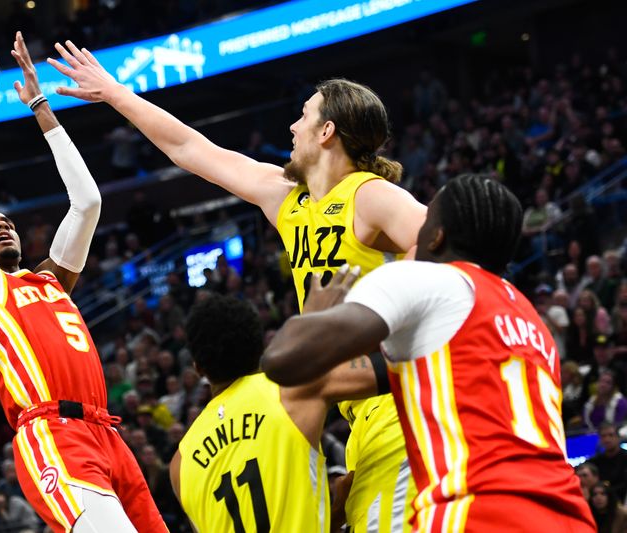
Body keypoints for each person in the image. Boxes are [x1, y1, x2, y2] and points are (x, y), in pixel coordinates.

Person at [48, 40, 426, 532]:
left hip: (401, 403)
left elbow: (440, 240)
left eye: (303, 116)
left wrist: (390, 318)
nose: (292, 127)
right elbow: (191, 149)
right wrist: (117, 94)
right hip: (363, 418)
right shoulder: (289, 201)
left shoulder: (369, 194)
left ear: (327, 132)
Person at [0, 31, 165, 532]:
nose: (0, 223)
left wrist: (40, 105)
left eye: (7, 220)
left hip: (107, 435)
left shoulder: (50, 281)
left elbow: (87, 202)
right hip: (52, 434)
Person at [262, 175, 595, 531]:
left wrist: (316, 315)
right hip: (568, 514)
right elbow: (382, 375)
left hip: (483, 512)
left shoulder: (423, 280)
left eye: (425, 223)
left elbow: (282, 361)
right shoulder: (530, 319)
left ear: (436, 237)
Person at [172, 292, 385, 531]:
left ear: (198, 368)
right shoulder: (292, 388)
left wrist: (336, 513)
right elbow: (394, 368)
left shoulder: (180, 465)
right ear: (261, 346)